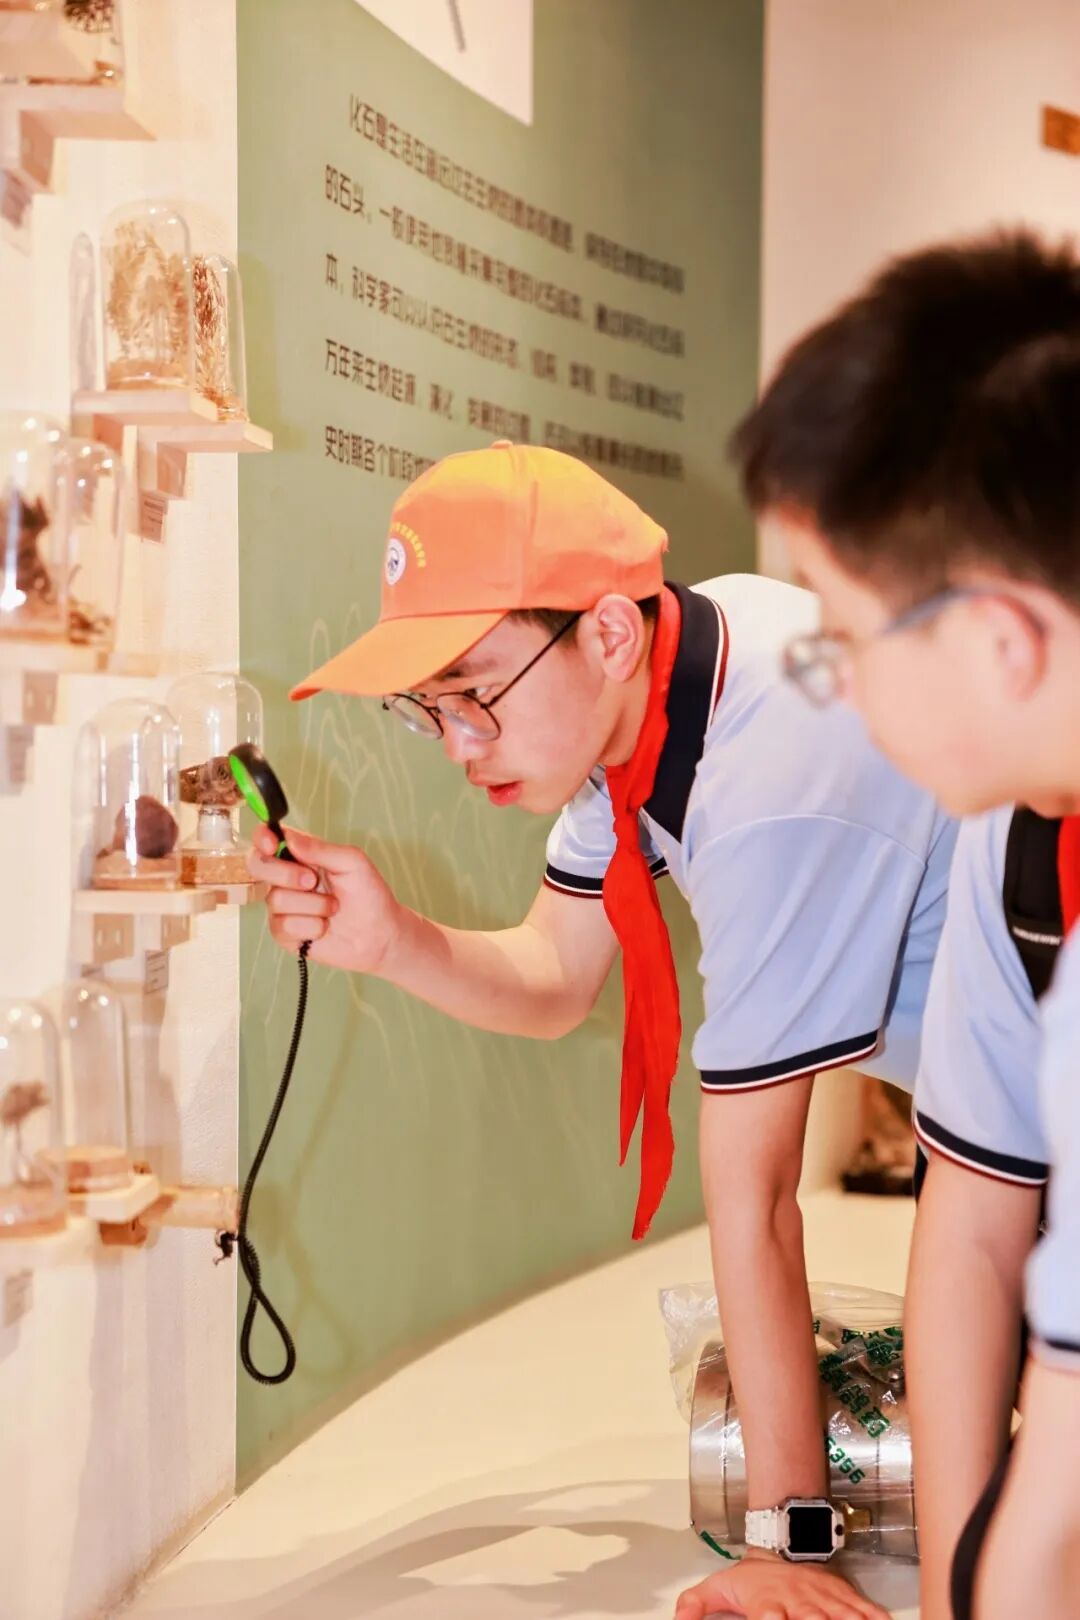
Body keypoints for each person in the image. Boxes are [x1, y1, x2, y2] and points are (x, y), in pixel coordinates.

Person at [250, 441, 955, 1620]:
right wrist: (391, 940)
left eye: (476, 692)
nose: (459, 743)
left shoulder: (772, 772)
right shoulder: (666, 688)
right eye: (428, 707)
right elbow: (557, 976)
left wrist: (784, 1543)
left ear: (612, 634)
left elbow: (755, 1194)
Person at [702, 228, 1080, 1620]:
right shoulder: (1018, 843)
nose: (840, 692)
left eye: (850, 641)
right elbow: (978, 1236)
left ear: (1000, 641)